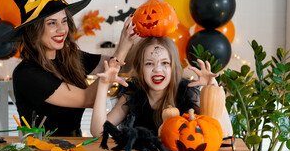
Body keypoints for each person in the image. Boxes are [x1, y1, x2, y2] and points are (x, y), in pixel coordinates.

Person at [0, 0, 138, 136]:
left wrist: (142, 47)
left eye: (64, 21)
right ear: (34, 30)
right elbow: (88, 99)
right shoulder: (28, 73)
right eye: (52, 23)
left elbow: (122, 64)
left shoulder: (70, 56)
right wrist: (123, 48)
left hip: (76, 146)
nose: (62, 30)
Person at [90, 37, 219, 137]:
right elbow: (98, 132)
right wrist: (103, 84)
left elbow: (220, 132)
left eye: (165, 63)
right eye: (149, 63)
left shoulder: (187, 93)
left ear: (173, 68)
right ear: (140, 68)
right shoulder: (132, 94)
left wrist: (213, 87)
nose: (157, 69)